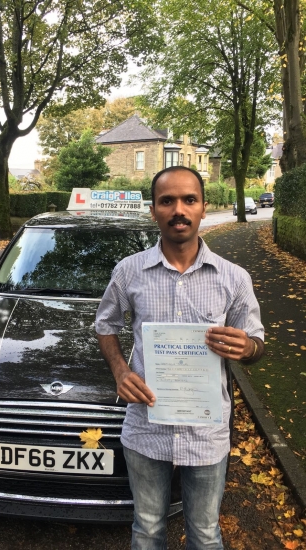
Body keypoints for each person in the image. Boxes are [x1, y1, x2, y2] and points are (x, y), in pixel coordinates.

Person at [95, 166, 264, 550]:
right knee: (148, 528)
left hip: (206, 432)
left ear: (204, 207)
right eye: (167, 201)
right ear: (153, 210)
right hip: (146, 427)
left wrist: (247, 348)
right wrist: (120, 371)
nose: (178, 209)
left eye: (189, 199)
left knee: (205, 535)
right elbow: (105, 325)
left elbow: (256, 343)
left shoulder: (233, 278)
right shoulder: (128, 271)